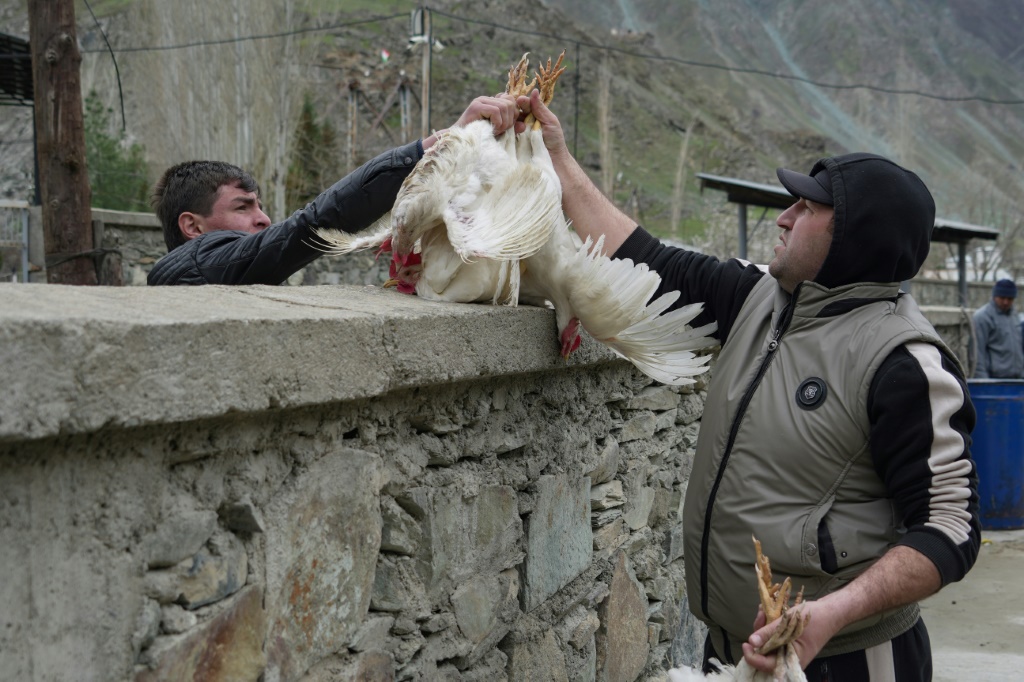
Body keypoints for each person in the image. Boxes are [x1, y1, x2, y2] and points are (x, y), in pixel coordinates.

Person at [517, 90, 979, 681]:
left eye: (807, 209)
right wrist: (555, 154)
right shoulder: (758, 297)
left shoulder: (905, 362)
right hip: (736, 652)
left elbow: (950, 529)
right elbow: (642, 259)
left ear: (855, 239)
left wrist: (831, 614)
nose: (784, 217)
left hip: (848, 660)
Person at [147, 96, 523, 285]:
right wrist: (435, 150)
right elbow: (309, 226)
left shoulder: (224, 278)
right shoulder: (193, 268)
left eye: (260, 205)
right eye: (243, 207)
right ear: (192, 227)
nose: (263, 218)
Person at [972, 279, 1024, 378]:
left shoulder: (1015, 316)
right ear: (994, 296)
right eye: (1002, 298)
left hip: (1018, 380)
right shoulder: (982, 317)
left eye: (1010, 299)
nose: (1006, 302)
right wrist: (983, 381)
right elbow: (978, 353)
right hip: (995, 380)